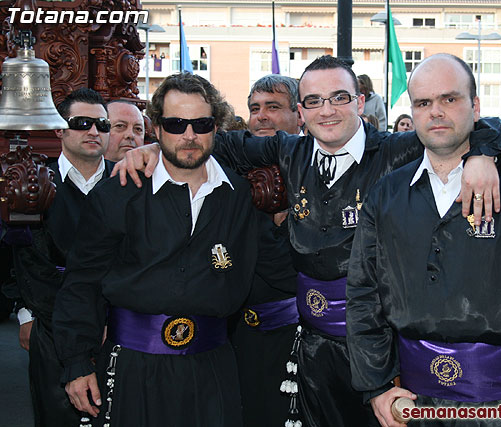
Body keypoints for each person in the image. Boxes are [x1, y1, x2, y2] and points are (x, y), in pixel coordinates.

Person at [115, 55, 501, 427]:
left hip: (382, 341)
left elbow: (489, 126)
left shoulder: (396, 150)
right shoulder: (290, 150)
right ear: (301, 111)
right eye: (314, 101)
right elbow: (212, 140)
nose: (327, 110)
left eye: (339, 98)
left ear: (360, 101)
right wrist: (153, 148)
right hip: (312, 343)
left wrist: (482, 155)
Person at [347, 53, 501, 427]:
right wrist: (376, 384)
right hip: (413, 404)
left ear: (475, 106)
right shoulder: (386, 194)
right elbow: (364, 293)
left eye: (450, 99)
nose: (436, 112)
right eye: (423, 103)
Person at [52, 73, 258, 426]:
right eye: (176, 124)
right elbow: (82, 281)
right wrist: (76, 362)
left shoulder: (238, 195)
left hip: (212, 368)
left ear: (216, 127)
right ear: (157, 128)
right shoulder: (119, 191)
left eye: (201, 124)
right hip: (131, 367)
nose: (189, 135)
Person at [12, 88, 113, 427]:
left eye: (102, 124)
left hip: (118, 329)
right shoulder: (35, 183)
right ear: (59, 129)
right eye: (82, 122)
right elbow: (27, 262)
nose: (93, 131)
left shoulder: (128, 182)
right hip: (53, 327)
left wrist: (110, 319)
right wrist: (28, 315)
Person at [232, 73, 301, 427]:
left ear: (299, 114)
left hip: (299, 338)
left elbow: (290, 272)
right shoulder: (229, 168)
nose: (261, 116)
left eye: (273, 107)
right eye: (254, 108)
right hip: (234, 337)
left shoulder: (316, 170)